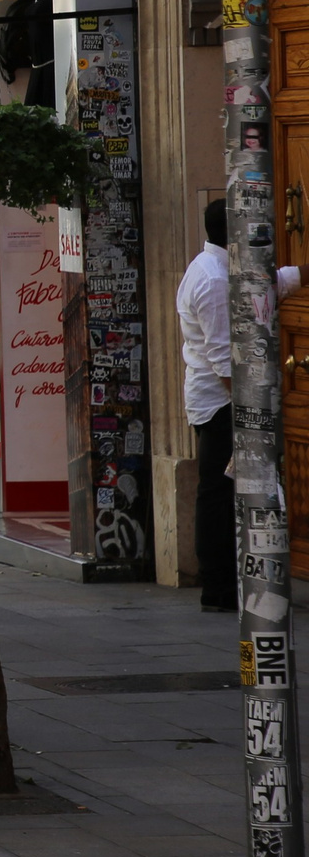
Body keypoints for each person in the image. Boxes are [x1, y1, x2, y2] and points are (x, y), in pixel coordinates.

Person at [181, 198, 236, 613]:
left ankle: (222, 583)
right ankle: (217, 586)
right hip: (220, 403)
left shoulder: (212, 267)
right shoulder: (214, 279)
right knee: (217, 491)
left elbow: (266, 280)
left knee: (220, 490)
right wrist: (251, 405)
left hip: (214, 398)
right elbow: (222, 359)